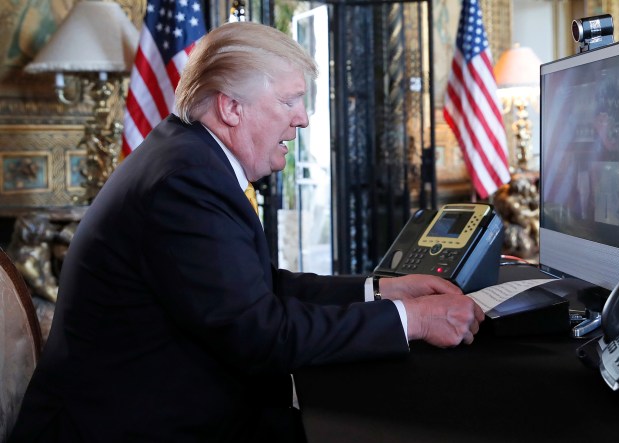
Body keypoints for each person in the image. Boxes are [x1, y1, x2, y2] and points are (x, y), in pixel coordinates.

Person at [10, 22, 483, 442]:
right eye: (289, 100)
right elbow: (261, 335)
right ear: (231, 108)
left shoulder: (189, 158)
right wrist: (412, 320)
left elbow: (253, 290)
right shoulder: (185, 181)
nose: (303, 118)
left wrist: (379, 291)